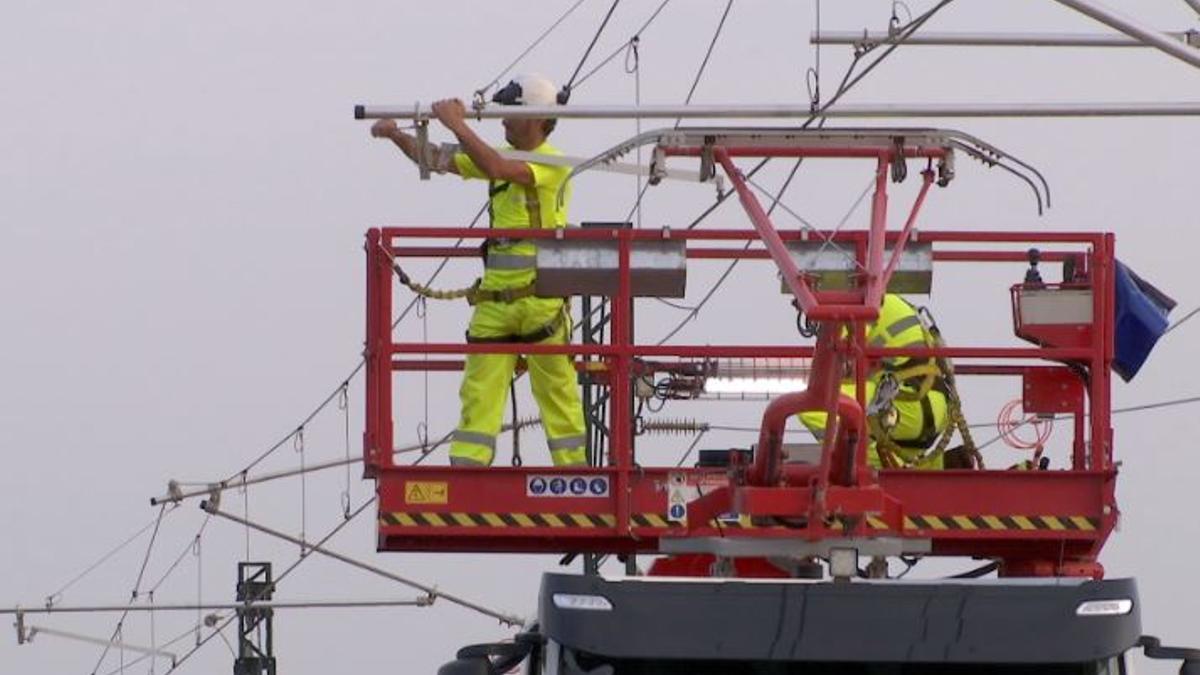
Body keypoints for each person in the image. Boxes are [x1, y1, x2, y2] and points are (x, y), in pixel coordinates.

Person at [369, 73, 587, 467]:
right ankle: (468, 472)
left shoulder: (552, 164)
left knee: (558, 394)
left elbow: (500, 168)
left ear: (536, 119)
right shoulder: (503, 158)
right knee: (479, 392)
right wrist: (396, 137)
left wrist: (457, 123)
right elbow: (439, 158)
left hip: (541, 299)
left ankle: (577, 477)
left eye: (510, 114)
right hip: (496, 298)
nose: (502, 121)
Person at [798, 294, 951, 469]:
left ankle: (866, 464)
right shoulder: (885, 301)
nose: (796, 303)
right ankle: (918, 470)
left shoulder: (854, 305)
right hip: (930, 410)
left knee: (814, 403)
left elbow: (841, 363)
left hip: (909, 403)